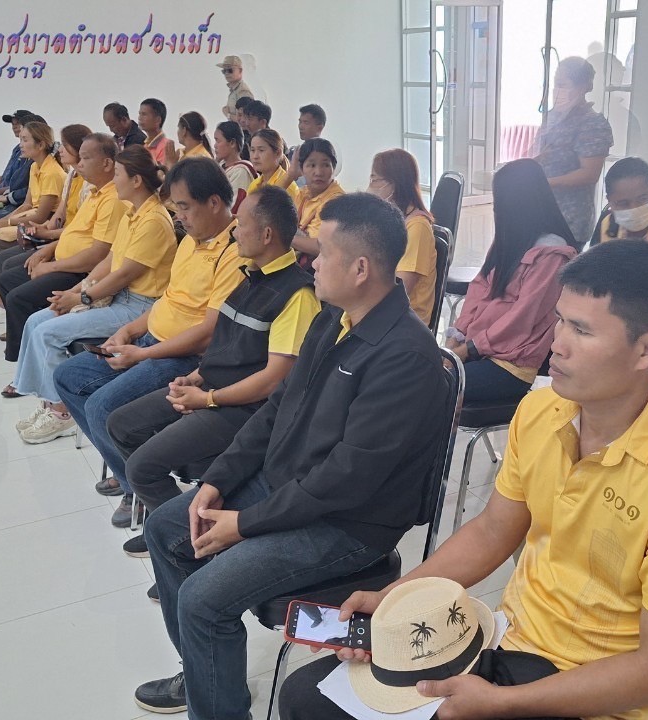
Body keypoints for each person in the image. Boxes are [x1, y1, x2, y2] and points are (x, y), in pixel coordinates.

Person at [279, 240, 648, 720]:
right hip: (511, 647)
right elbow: (492, 530)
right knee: (307, 696)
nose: (556, 344)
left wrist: (502, 704)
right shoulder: (542, 410)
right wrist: (393, 600)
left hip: (600, 696)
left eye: (581, 330)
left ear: (647, 348)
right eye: (560, 320)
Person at [134, 192, 450, 718]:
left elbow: (346, 479)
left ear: (361, 269)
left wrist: (244, 524)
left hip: (347, 523)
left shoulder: (405, 357)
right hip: (289, 487)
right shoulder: (335, 318)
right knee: (166, 528)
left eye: (323, 253)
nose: (312, 261)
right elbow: (278, 406)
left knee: (202, 600)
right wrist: (217, 480)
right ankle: (205, 677)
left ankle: (217, 706)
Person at [106, 186, 320, 557]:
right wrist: (197, 377)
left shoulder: (297, 295)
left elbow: (274, 381)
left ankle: (182, 542)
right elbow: (226, 344)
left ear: (267, 235)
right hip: (212, 389)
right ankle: (170, 522)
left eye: (242, 224)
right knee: (121, 424)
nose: (234, 230)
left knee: (141, 467)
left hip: (244, 410)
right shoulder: (249, 277)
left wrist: (206, 399)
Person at [52, 157, 244, 527]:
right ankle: (130, 477)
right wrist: (130, 331)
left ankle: (148, 498)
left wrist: (142, 354)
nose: (179, 217)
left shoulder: (233, 252)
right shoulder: (191, 242)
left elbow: (208, 333)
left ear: (214, 203)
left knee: (102, 407)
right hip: (151, 340)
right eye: (177, 208)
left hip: (183, 357)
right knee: (68, 377)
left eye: (185, 207)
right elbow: (168, 301)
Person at [12, 146, 178, 443]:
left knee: (48, 333)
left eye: (118, 174)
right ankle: (50, 403)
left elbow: (124, 274)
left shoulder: (154, 220)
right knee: (37, 320)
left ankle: (63, 413)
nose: (114, 180)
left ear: (136, 180)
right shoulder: (133, 213)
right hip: (120, 297)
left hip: (139, 306)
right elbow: (110, 260)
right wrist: (74, 291)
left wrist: (82, 299)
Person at [447, 159, 576, 403]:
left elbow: (521, 318)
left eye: (501, 205)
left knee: (431, 386)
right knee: (417, 373)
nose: (497, 212)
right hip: (477, 350)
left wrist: (468, 349)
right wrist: (457, 336)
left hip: (510, 364)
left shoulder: (553, 255)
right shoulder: (509, 240)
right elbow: (478, 289)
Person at [0, 133, 120, 367]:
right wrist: (48, 250)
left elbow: (97, 255)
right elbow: (73, 230)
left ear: (107, 164)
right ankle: (24, 347)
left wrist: (50, 267)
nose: (79, 164)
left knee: (18, 298)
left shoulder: (112, 199)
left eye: (85, 158)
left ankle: (23, 360)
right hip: (65, 259)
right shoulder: (94, 193)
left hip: (81, 270)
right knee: (7, 278)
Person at [0, 121, 66, 325]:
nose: (20, 144)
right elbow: (27, 204)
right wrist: (2, 222)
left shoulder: (52, 172)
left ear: (41, 144)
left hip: (41, 224)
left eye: (25, 139)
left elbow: (41, 216)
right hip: (30, 218)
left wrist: (3, 224)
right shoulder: (35, 167)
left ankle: (2, 306)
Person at [0, 124, 92, 279]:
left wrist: (48, 233)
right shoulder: (72, 177)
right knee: (3, 258)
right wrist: (42, 229)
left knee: (7, 265)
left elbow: (79, 228)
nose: (60, 150)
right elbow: (59, 215)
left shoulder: (88, 184)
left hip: (71, 240)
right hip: (61, 234)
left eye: (65, 145)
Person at [536, 56, 614, 245]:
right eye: (555, 84)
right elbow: (542, 152)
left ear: (583, 87)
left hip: (569, 219)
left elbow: (589, 174)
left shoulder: (592, 124)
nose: (557, 90)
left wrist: (546, 183)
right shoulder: (552, 117)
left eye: (563, 85)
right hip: (541, 214)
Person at [368, 148, 437, 324]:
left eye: (375, 180)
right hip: (382, 311)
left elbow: (401, 288)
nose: (370, 186)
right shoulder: (389, 221)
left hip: (405, 321)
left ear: (394, 184)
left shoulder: (417, 227)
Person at [290, 139, 345, 267]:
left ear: (333, 168)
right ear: (302, 169)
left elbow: (324, 247)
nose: (319, 172)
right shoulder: (302, 194)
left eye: (325, 165)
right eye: (312, 165)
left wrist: (285, 238)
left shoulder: (336, 201)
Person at [588, 156, 648, 247]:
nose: (634, 208)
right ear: (610, 201)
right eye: (623, 203)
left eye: (642, 199)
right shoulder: (607, 225)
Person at [213, 121, 256, 212]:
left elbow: (235, 206)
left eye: (218, 141)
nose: (215, 145)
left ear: (232, 143)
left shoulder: (241, 171)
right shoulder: (220, 166)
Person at [245, 129, 296, 200]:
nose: (255, 156)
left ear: (278, 153)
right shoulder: (254, 184)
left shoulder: (288, 187)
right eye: (252, 150)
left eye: (261, 150)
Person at [285, 104, 329, 186]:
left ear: (319, 128)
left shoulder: (326, 153)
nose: (300, 126)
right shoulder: (294, 152)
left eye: (306, 122)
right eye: (300, 122)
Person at [137, 98, 178, 168]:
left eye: (144, 114)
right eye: (139, 114)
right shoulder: (146, 145)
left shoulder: (166, 146)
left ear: (158, 120)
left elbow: (162, 172)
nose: (139, 118)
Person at [217, 55, 254, 120]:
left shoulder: (243, 91)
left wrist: (228, 114)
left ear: (240, 71)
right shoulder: (235, 90)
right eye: (224, 71)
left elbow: (246, 120)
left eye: (230, 70)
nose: (226, 73)